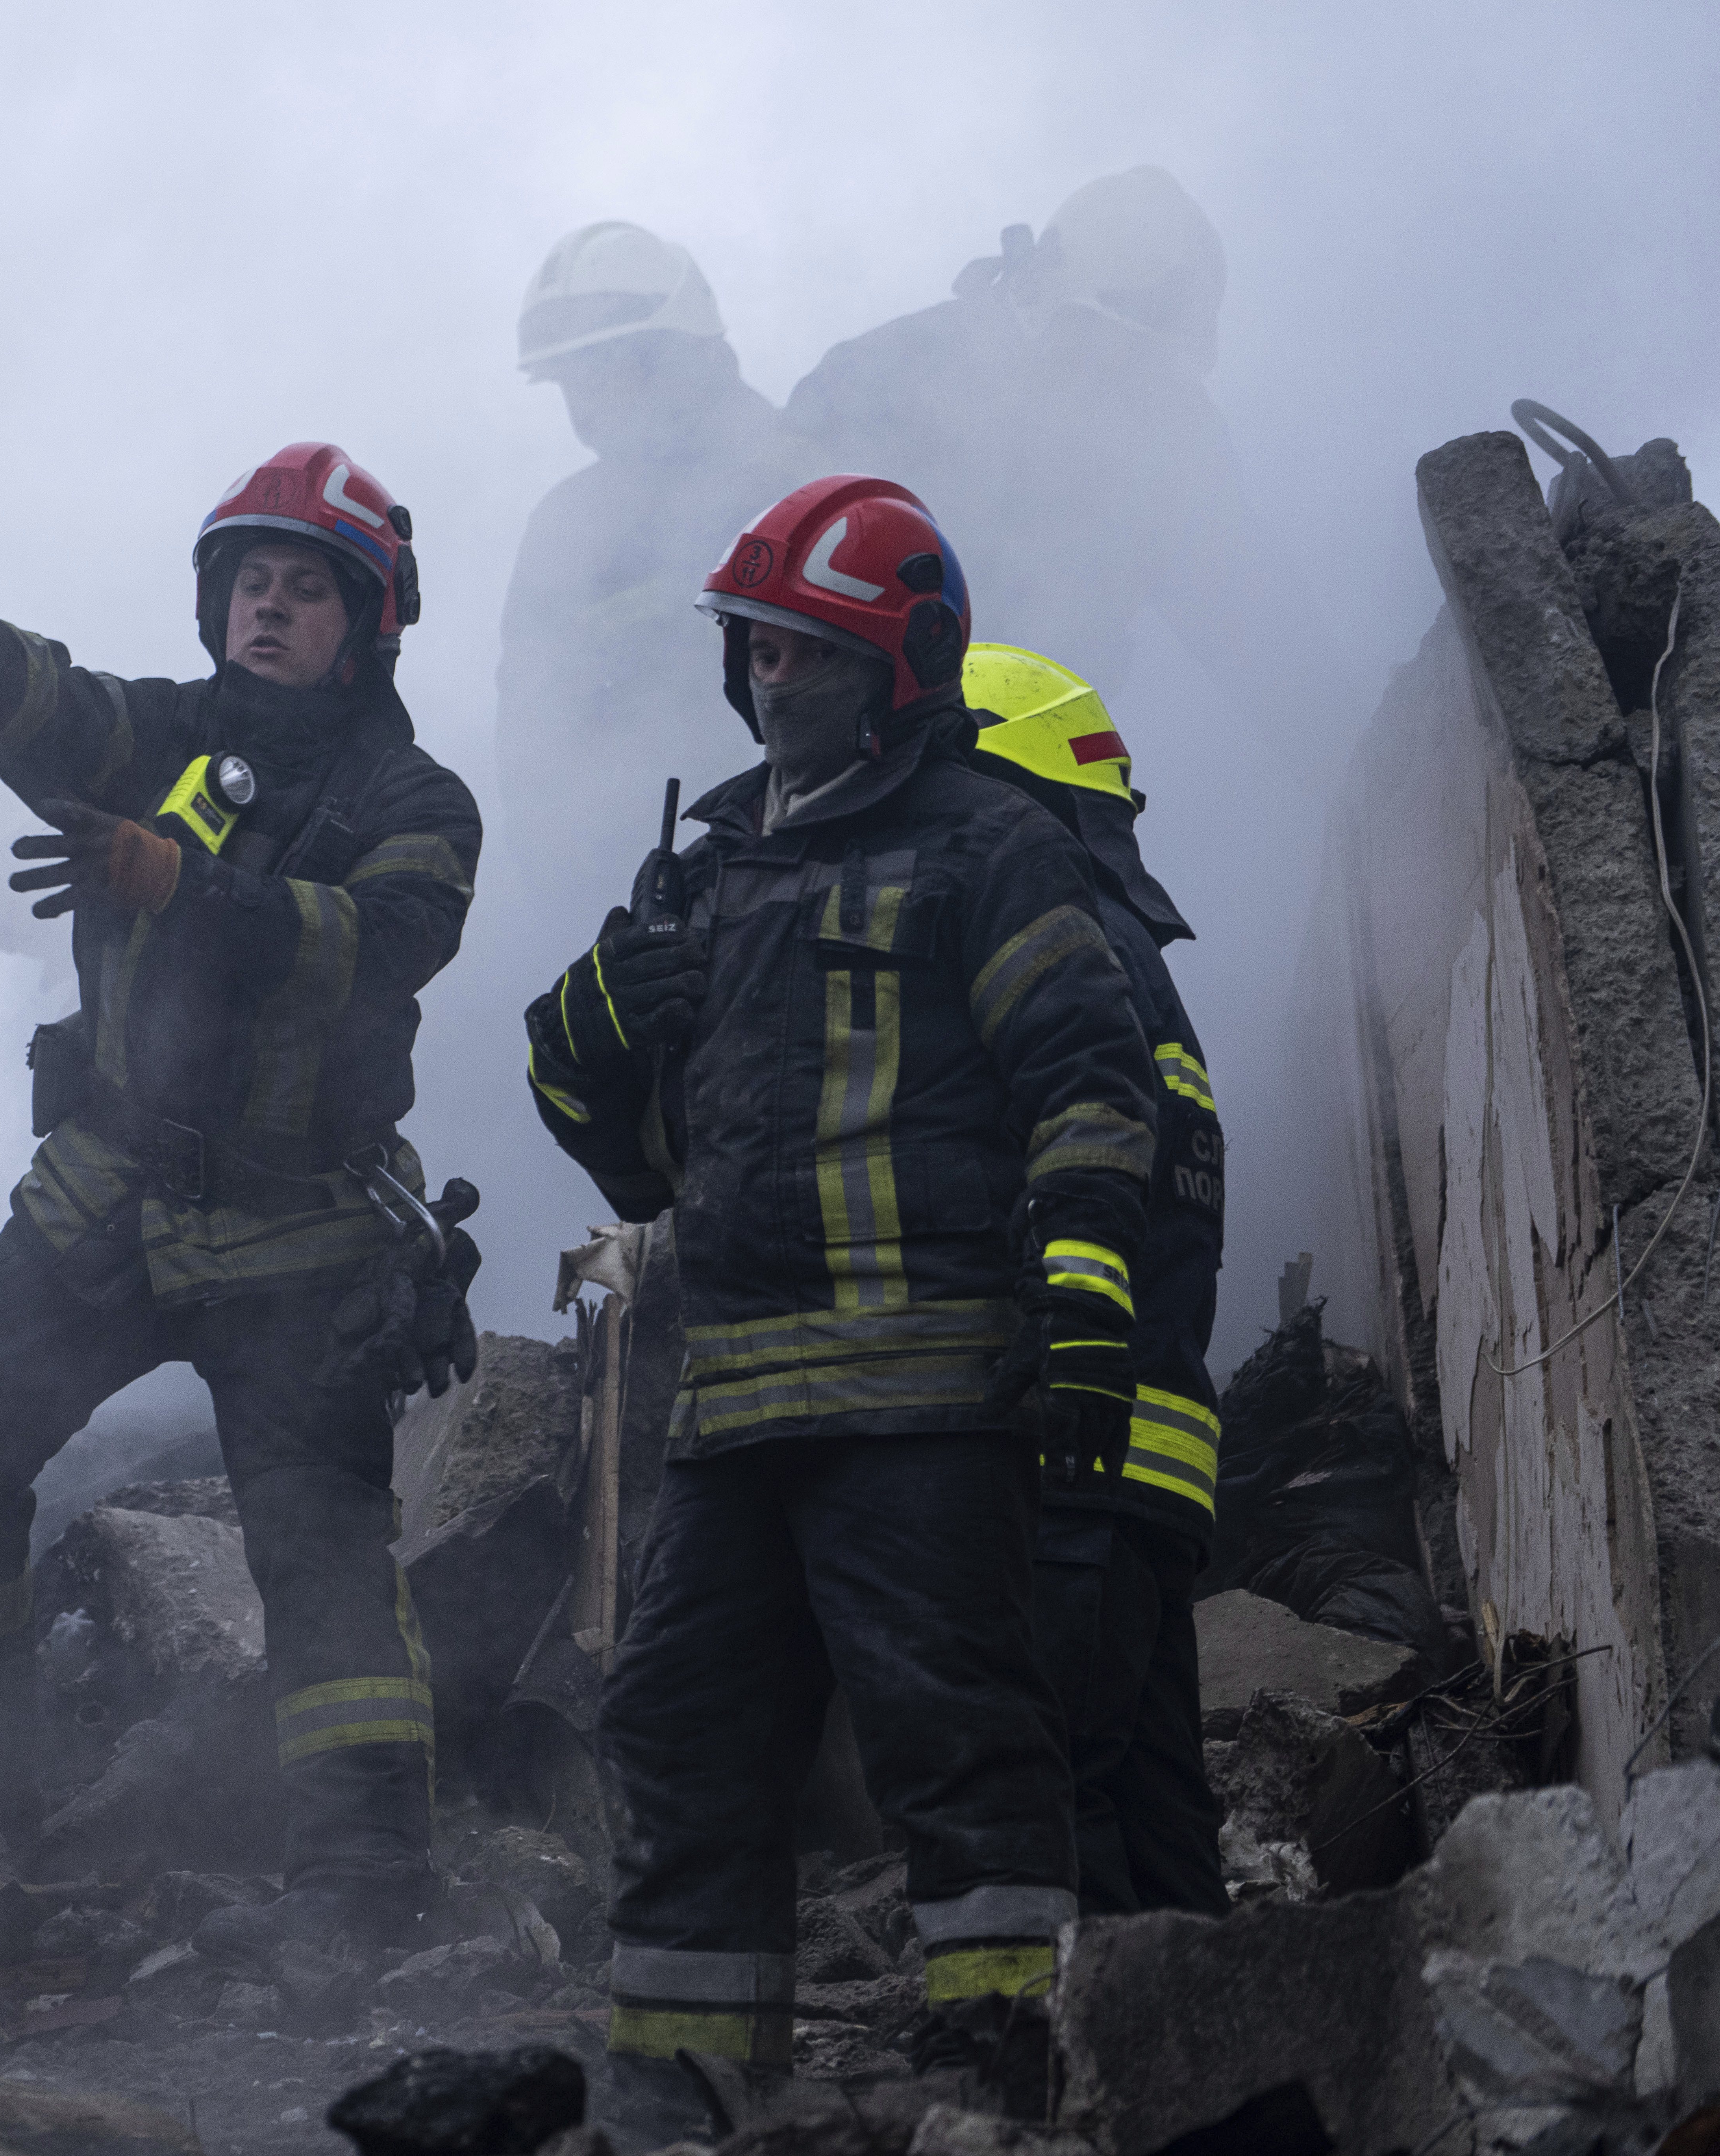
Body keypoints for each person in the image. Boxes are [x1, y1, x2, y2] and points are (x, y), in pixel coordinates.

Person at [525, 476, 1161, 2136]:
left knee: (955, 1738)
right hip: (732, 1410)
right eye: (747, 647)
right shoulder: (705, 872)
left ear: (904, 663)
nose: (763, 680)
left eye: (802, 651)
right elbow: (646, 1165)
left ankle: (1004, 2072)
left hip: (925, 1399)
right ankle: (686, 2089)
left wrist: (1090, 1305)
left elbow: (1093, 1089)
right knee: (674, 1733)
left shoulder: (988, 846)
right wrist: (582, 1036)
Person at [0, 443, 483, 1954]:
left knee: (316, 1557)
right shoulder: (165, 736)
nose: (269, 607)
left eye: (306, 588)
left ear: (369, 623)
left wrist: (180, 882)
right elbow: (62, 711)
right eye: (249, 581)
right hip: (106, 1192)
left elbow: (372, 941)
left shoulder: (415, 797)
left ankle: (362, 1890)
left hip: (304, 1225)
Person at [965, 643, 1229, 1918]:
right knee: (1157, 1809)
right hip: (1151, 1464)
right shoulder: (1137, 960)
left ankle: (1099, 2101)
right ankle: (1231, 2092)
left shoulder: (1053, 947)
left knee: (1055, 1790)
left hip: (1074, 1454)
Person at [786, 166, 1340, 719]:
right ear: (1059, 302)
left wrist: (1355, 756)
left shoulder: (1170, 432)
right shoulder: (885, 379)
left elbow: (1252, 621)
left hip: (1028, 752)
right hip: (851, 735)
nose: (1132, 374)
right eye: (1122, 344)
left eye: (1152, 357)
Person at [497, 222, 803, 909]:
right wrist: (570, 890)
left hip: (799, 881)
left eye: (605, 368)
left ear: (679, 357)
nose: (587, 399)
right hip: (624, 894)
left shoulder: (798, 484)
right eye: (571, 379)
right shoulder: (567, 526)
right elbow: (530, 738)